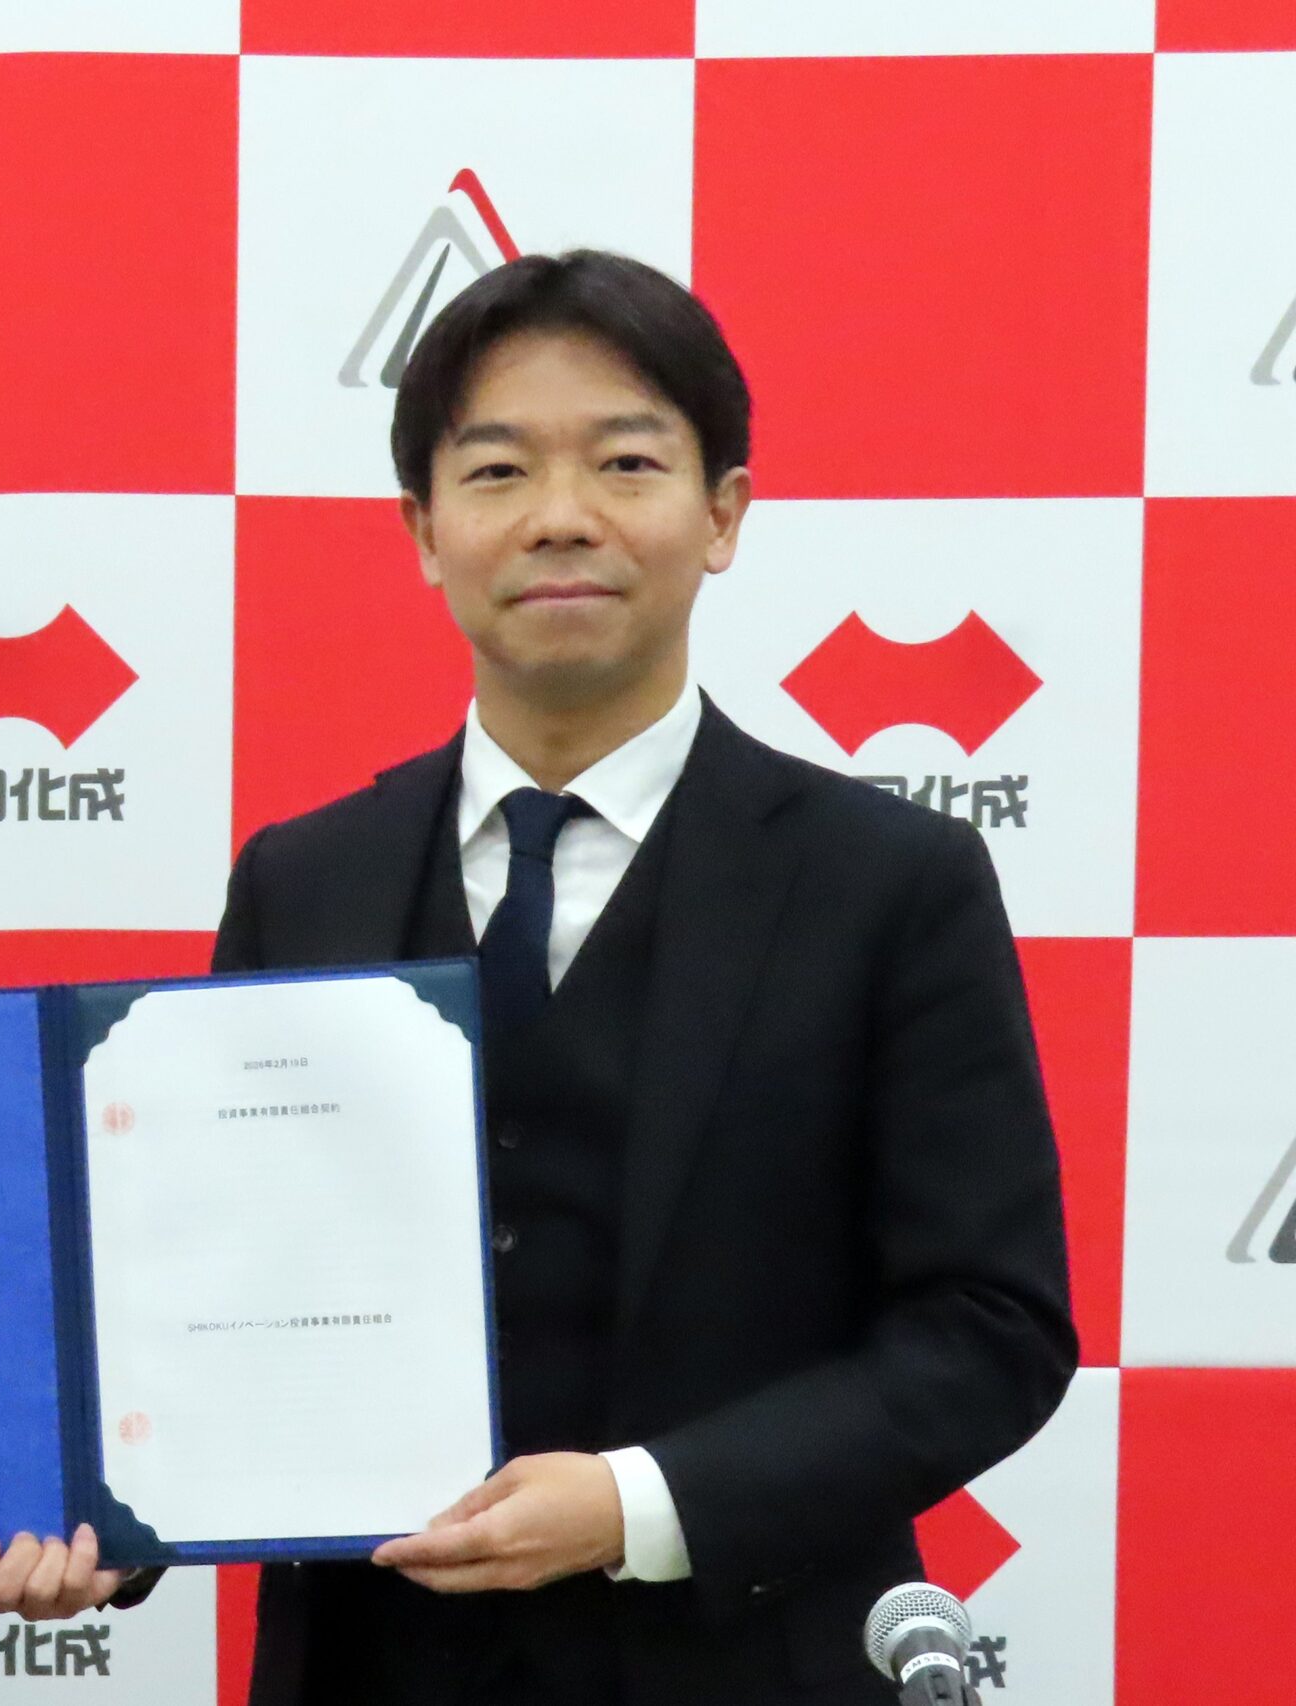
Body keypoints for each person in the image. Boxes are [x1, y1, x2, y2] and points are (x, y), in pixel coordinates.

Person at [207, 251, 1077, 1702]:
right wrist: (96, 1520)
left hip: (753, 1661)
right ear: (423, 530)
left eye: (625, 462)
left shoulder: (891, 884)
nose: (561, 516)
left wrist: (640, 1503)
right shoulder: (301, 881)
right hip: (375, 1661)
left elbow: (990, 1331)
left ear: (723, 514)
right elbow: (211, 1282)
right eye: (497, 471)